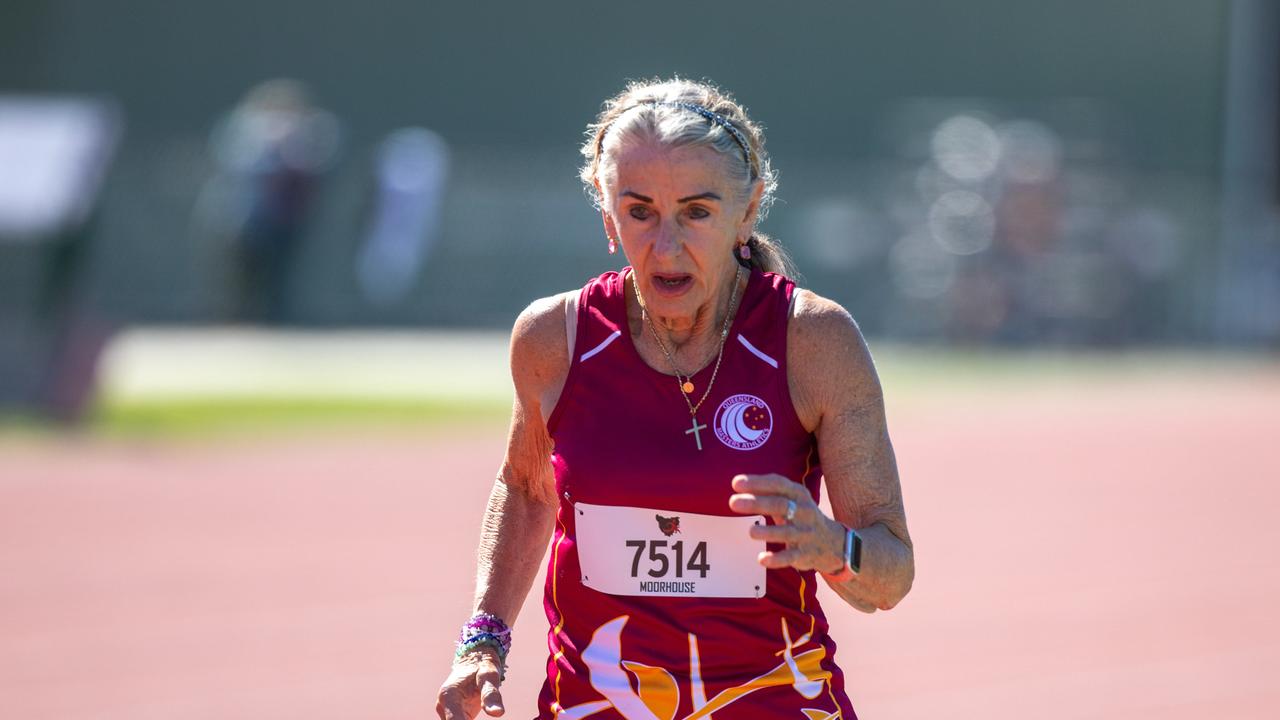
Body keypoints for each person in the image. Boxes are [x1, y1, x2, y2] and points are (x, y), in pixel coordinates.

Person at [436, 78, 914, 720]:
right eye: (639, 212)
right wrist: (484, 638)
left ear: (747, 213)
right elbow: (526, 491)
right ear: (607, 216)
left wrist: (832, 543)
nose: (666, 245)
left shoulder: (811, 341)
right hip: (595, 706)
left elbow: (888, 577)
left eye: (696, 212)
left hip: (770, 704)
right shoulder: (557, 338)